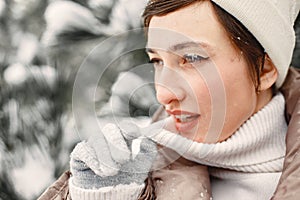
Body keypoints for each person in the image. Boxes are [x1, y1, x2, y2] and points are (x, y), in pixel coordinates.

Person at [39, 0, 300, 199]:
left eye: (193, 58)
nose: (163, 93)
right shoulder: (132, 176)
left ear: (265, 70)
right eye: (157, 61)